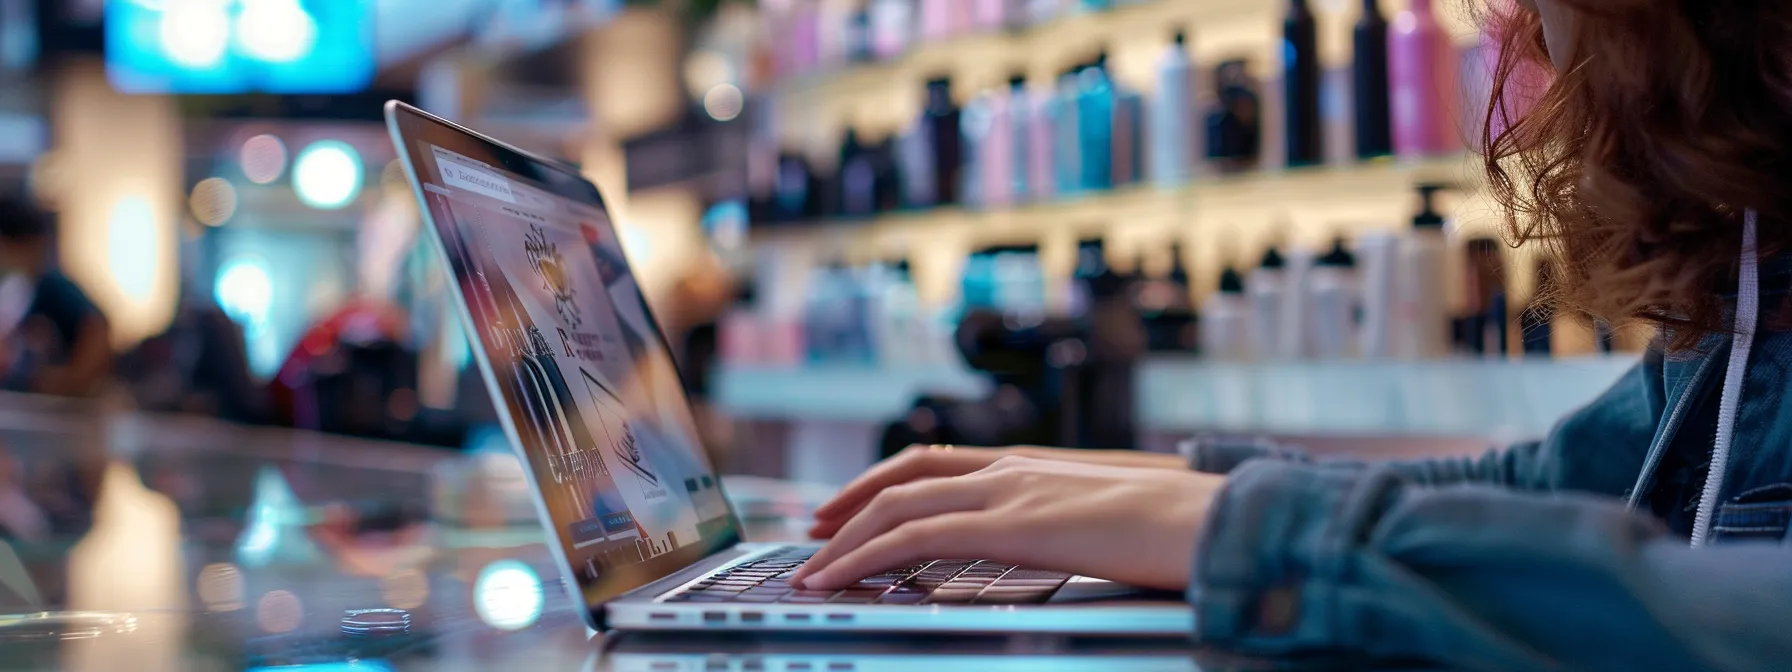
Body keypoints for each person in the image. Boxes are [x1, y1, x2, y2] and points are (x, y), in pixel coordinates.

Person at [791, 0, 1792, 668]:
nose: (1529, 38)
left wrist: (1243, 527)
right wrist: (1167, 488)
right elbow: (1547, 485)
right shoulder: (1754, 298)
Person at [0, 197, 111, 397]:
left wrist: (72, 379)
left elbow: (97, 328)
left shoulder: (52, 285)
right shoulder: (21, 288)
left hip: (67, 407)